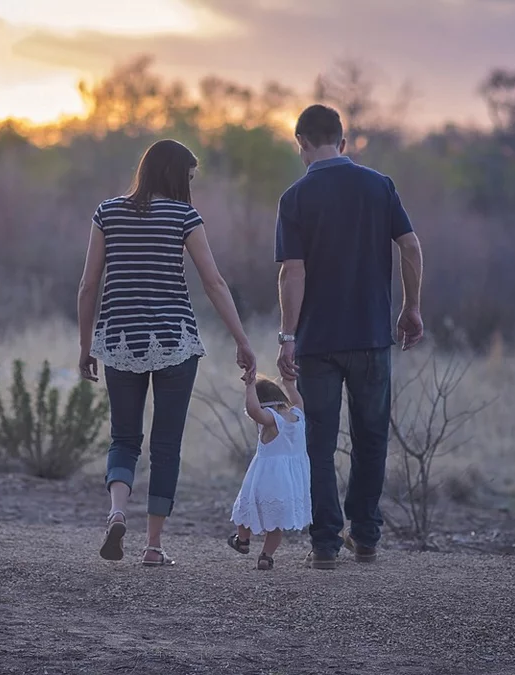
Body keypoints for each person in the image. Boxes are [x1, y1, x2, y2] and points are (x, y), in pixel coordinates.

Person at [77, 138, 256, 567]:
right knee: (166, 445)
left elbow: (88, 285)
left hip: (119, 341)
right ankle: (153, 546)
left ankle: (117, 511)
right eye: (189, 177)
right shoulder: (184, 216)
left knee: (124, 437)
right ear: (176, 175)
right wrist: (242, 339)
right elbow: (213, 283)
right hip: (175, 341)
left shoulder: (107, 212)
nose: (190, 186)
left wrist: (86, 346)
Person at [274, 104, 425, 570]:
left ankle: (324, 544)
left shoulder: (295, 197)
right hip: (372, 337)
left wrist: (287, 335)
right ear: (343, 141)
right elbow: (411, 246)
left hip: (318, 342)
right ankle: (366, 536)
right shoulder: (380, 186)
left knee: (319, 442)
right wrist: (411, 307)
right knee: (371, 437)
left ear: (300, 143)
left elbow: (291, 273)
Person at [227, 372, 311, 571]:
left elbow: (254, 410)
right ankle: (266, 556)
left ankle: (243, 540)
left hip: (266, 478)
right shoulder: (298, 415)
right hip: (290, 482)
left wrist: (249, 387)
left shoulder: (271, 420)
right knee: (276, 523)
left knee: (246, 509)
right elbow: (298, 400)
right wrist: (289, 384)